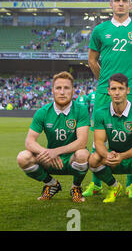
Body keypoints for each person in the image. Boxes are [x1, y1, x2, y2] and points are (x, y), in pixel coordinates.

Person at [86, 0, 132, 198]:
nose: (121, 3)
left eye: (125, 0)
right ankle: (97, 184)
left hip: (130, 92)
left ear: (130, 4)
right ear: (111, 4)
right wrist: (105, 82)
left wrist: (131, 82)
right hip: (105, 92)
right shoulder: (99, 30)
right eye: (117, 0)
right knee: (100, 138)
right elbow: (92, 60)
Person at [17, 71, 90, 202]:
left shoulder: (81, 110)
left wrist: (56, 152)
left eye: (66, 88)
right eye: (58, 88)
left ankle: (76, 187)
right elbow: (29, 141)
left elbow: (82, 142)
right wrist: (46, 152)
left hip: (71, 159)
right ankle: (51, 184)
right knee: (23, 157)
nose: (62, 92)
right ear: (52, 91)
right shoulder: (42, 112)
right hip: (49, 159)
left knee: (83, 154)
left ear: (73, 90)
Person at [89, 73, 132, 205]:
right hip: (112, 157)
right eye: (113, 89)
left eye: (121, 88)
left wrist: (123, 156)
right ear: (108, 91)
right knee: (93, 159)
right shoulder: (100, 112)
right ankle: (114, 186)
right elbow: (99, 142)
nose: (117, 93)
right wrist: (107, 154)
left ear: (128, 90)